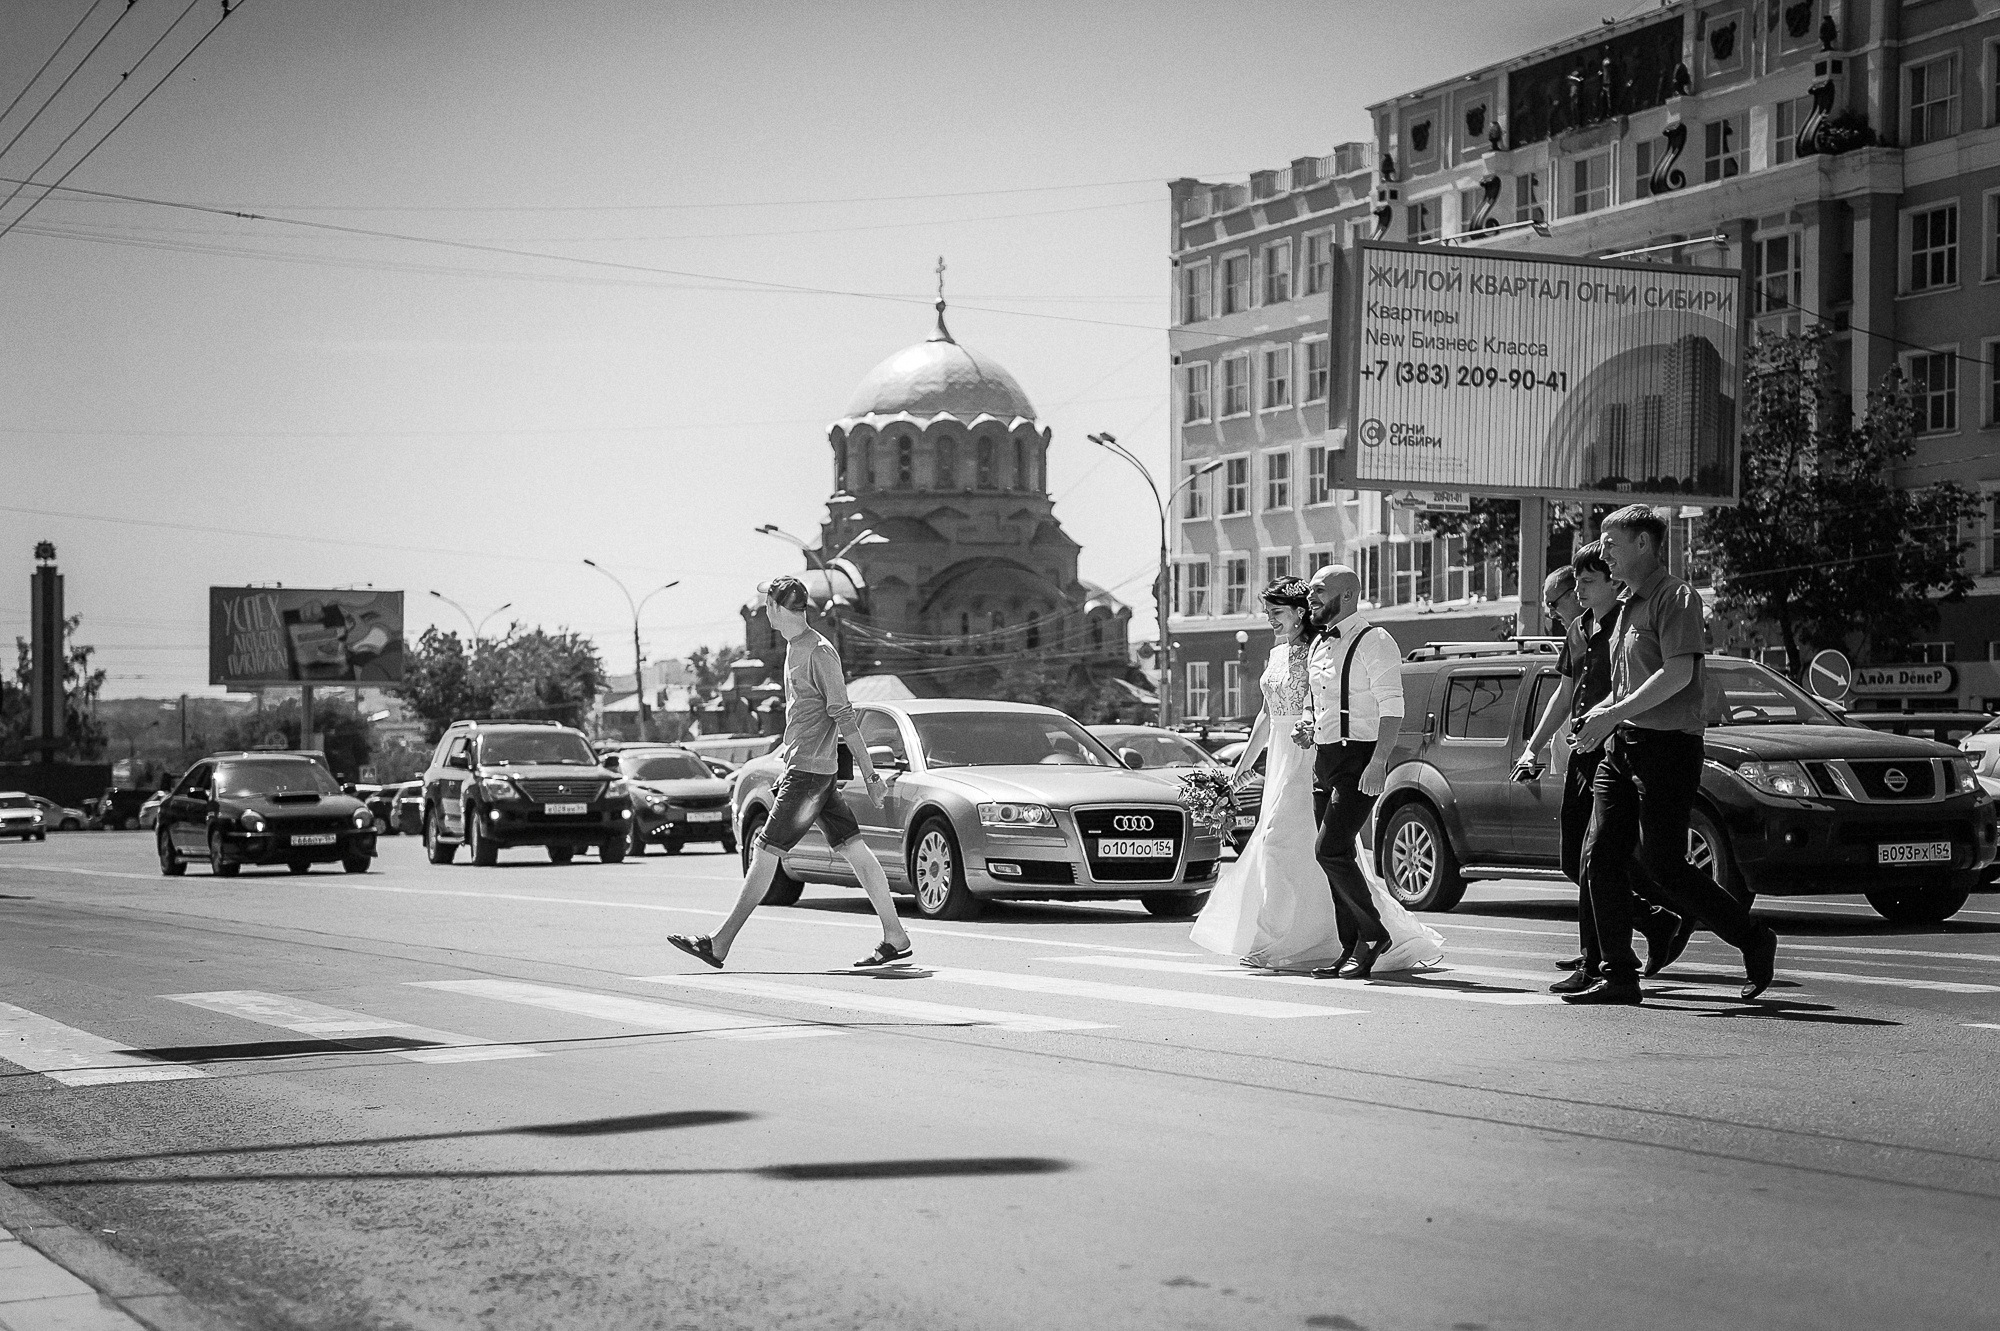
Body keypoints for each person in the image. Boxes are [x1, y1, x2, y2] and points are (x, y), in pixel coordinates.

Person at [1567, 506, 1779, 1005]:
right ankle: (1619, 974)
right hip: (1620, 747)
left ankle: (1752, 938)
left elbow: (1678, 674)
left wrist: (1612, 712)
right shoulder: (1623, 605)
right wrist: (1595, 717)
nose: (1604, 554)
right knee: (1599, 857)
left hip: (1667, 748)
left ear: (1643, 544)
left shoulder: (1676, 597)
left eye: (1611, 544)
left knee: (1664, 864)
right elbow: (1627, 683)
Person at [1190, 577, 1443, 973]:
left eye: (1277, 612)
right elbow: (1267, 714)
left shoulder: (1327, 646)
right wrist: (1240, 770)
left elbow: (1352, 704)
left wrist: (1365, 755)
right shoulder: (1280, 653)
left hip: (1310, 756)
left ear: (1299, 613)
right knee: (1302, 851)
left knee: (1285, 844)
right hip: (1282, 758)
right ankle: (1327, 939)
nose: (1270, 620)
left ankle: (1291, 940)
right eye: (1268, 612)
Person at [667, 576, 913, 971]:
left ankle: (720, 943)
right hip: (808, 772)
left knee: (765, 853)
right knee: (854, 850)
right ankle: (895, 936)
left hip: (811, 776)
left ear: (780, 609)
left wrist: (870, 776)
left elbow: (844, 716)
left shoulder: (819, 652)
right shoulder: (794, 648)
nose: (764, 610)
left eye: (768, 604)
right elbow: (803, 720)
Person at [1516, 547, 1690, 994]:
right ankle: (1651, 922)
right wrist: (1532, 748)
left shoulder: (1626, 624)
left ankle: (1600, 959)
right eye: (1572, 585)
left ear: (1613, 582)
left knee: (1599, 857)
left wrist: (1605, 721)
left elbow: (1635, 687)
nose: (1573, 594)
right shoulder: (1579, 630)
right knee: (1577, 859)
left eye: (1584, 583)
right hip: (1582, 748)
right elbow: (1564, 694)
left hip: (1614, 745)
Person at [1301, 564, 1406, 977]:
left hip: (1359, 759)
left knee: (1329, 849)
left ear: (1346, 596)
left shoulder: (1374, 640)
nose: (1310, 598)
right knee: (1336, 856)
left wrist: (1378, 762)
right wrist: (1308, 727)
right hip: (1324, 760)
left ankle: (1374, 934)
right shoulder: (1318, 644)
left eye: (1318, 591)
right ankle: (1352, 948)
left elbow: (1392, 707)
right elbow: (1320, 703)